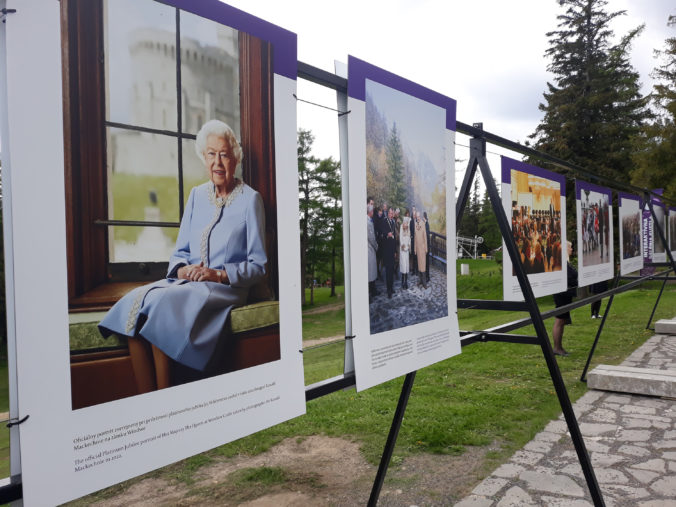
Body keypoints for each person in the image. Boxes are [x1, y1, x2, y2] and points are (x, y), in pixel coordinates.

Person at [98, 120, 267, 391]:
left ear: (235, 157)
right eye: (211, 154)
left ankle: (164, 398)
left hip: (225, 288)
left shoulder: (250, 200)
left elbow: (258, 266)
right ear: (203, 157)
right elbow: (180, 253)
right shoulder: (196, 196)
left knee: (163, 305)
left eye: (224, 154)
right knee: (136, 301)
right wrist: (181, 271)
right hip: (188, 284)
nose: (218, 162)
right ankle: (148, 398)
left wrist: (217, 274)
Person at [552, 241, 577, 356]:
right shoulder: (561, 262)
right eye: (570, 247)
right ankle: (557, 348)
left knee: (562, 320)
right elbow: (568, 278)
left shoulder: (565, 262)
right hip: (561, 294)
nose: (572, 249)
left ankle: (558, 347)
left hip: (565, 294)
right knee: (560, 320)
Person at [383, 207, 398, 298]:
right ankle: (388, 290)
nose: (391, 215)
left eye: (392, 213)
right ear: (388, 213)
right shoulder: (384, 221)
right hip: (386, 250)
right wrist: (386, 234)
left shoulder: (393, 222)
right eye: (390, 213)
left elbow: (395, 237)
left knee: (392, 270)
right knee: (388, 271)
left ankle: (391, 288)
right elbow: (381, 232)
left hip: (392, 250)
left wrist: (395, 251)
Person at [367, 203, 378, 299]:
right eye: (373, 211)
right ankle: (371, 293)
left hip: (370, 248)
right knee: (370, 271)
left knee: (371, 271)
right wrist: (376, 246)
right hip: (370, 248)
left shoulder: (368, 221)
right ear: (370, 212)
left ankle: (373, 290)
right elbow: (371, 237)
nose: (373, 212)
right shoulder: (368, 222)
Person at [414, 211, 428, 288]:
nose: (418, 218)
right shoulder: (415, 224)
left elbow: (425, 236)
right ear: (416, 217)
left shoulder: (423, 223)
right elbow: (415, 238)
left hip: (422, 248)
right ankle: (420, 280)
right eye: (417, 217)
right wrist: (415, 249)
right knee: (419, 264)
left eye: (419, 216)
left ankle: (424, 282)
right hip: (418, 248)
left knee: (423, 265)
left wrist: (426, 248)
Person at [399, 214, 411, 289]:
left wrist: (409, 245)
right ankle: (402, 282)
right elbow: (400, 237)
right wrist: (403, 246)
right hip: (403, 250)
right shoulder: (401, 227)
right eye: (405, 222)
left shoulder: (408, 229)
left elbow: (409, 238)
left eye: (407, 222)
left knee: (406, 266)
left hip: (407, 251)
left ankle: (406, 282)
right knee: (403, 266)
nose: (406, 224)